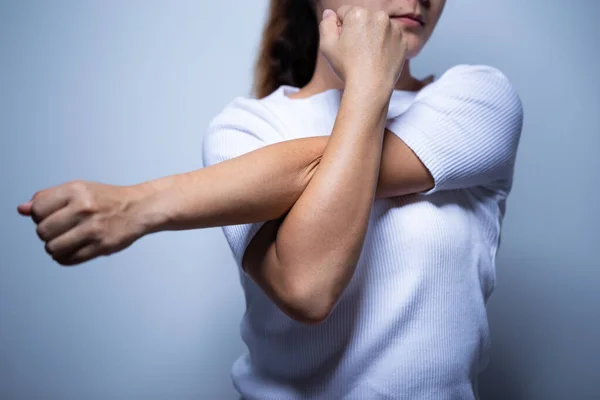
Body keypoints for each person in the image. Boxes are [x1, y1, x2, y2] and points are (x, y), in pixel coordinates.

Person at [17, 0, 524, 398]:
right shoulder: (248, 128)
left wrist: (140, 205)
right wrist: (371, 87)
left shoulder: (477, 99)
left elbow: (318, 212)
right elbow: (307, 286)